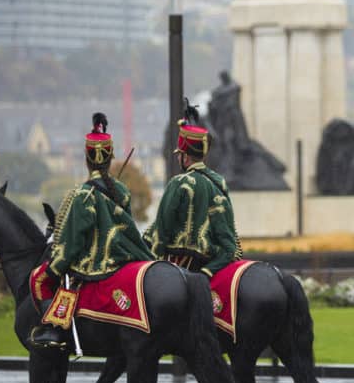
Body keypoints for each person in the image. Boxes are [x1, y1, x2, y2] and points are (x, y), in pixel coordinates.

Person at [29, 113, 154, 347]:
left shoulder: (82, 195)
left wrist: (57, 266)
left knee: (40, 277)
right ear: (110, 158)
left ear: (87, 159)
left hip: (94, 265)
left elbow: (73, 244)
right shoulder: (122, 191)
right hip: (123, 258)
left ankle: (54, 329)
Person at [144, 102, 242, 277]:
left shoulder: (179, 183)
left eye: (179, 155)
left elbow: (161, 231)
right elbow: (229, 240)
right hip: (213, 262)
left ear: (185, 157)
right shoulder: (220, 182)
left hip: (180, 264)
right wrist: (209, 270)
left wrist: (149, 262)